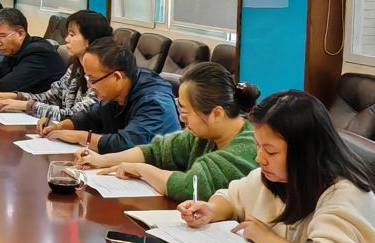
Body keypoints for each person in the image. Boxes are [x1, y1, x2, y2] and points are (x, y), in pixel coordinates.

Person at [177, 90, 375, 243]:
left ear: (304, 153)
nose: (259, 158)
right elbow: (233, 197)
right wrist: (211, 210)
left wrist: (269, 239)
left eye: (270, 151)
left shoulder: (346, 195)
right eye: (258, 146)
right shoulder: (277, 176)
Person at [72, 62, 260, 202]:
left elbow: (190, 187)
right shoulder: (205, 135)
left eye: (185, 112)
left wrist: (141, 169)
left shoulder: (248, 147)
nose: (182, 120)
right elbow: (157, 151)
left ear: (217, 114)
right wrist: (102, 160)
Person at [39, 39, 180, 150]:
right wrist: (60, 126)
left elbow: (127, 144)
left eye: (92, 80)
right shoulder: (118, 91)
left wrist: (80, 137)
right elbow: (91, 116)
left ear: (117, 77)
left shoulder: (154, 102)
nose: (89, 86)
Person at [0, 9, 112, 123]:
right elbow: (51, 97)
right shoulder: (75, 68)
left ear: (90, 40)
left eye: (72, 35)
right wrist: (16, 97)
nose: (66, 39)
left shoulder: (102, 75)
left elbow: (76, 116)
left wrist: (27, 105)